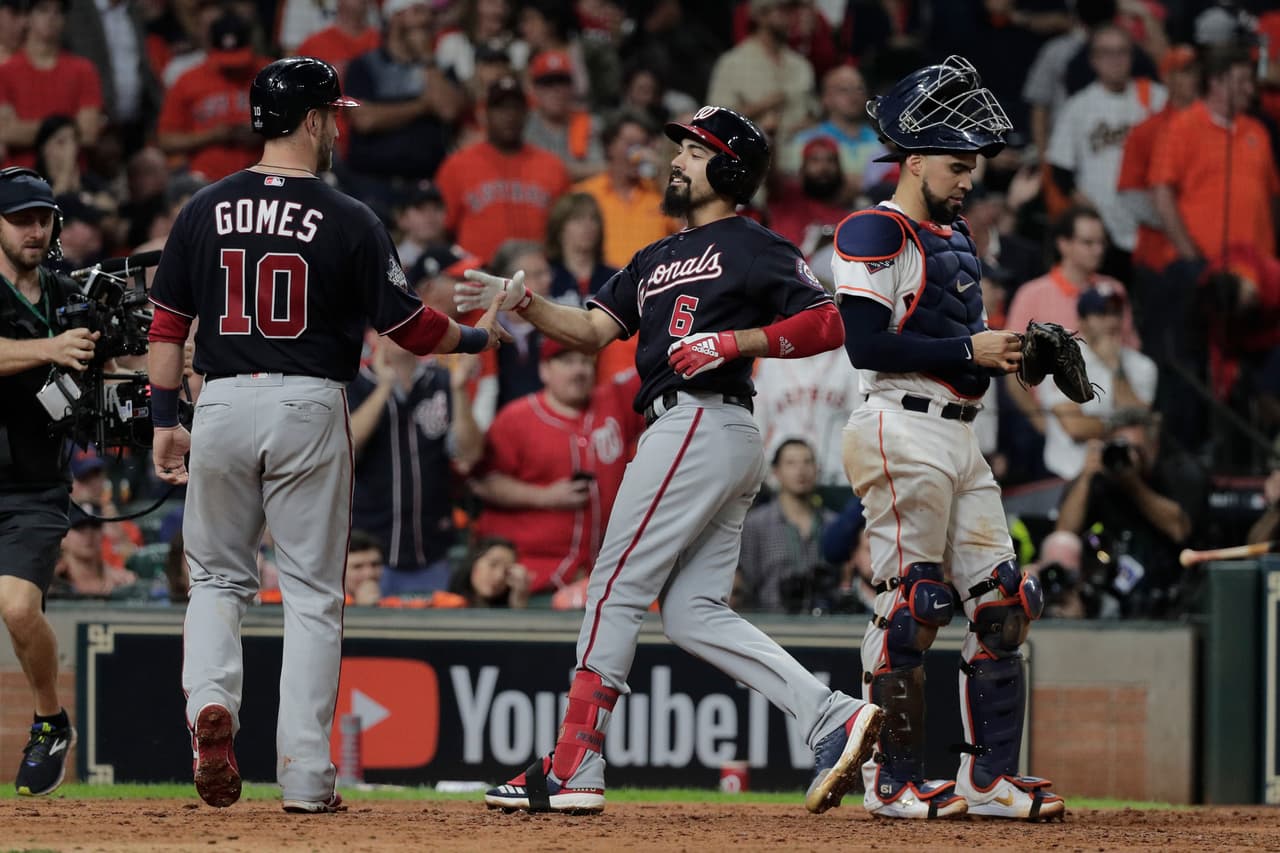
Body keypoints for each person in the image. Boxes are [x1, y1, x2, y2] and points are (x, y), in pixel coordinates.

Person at [458, 105, 884, 816]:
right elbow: (595, 329)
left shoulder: (752, 243)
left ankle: (574, 762)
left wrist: (736, 342)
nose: (676, 160)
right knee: (690, 613)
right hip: (700, 429)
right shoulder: (656, 254)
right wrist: (525, 302)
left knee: (616, 583)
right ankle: (830, 713)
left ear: (726, 167)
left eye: (691, 149)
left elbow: (828, 320)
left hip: (700, 415)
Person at [144, 57, 508, 814]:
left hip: (221, 397)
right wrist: (478, 341)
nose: (337, 126)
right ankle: (307, 779)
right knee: (310, 596)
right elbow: (408, 325)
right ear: (312, 121)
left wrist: (163, 418)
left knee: (216, 579)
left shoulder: (203, 208)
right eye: (332, 115)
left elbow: (168, 325)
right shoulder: (349, 216)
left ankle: (212, 702)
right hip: (310, 401)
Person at [831, 55, 1065, 820]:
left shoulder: (955, 235)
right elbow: (867, 345)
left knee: (1004, 603)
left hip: (960, 435)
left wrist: (1021, 352)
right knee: (913, 607)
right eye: (957, 165)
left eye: (973, 167)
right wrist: (972, 351)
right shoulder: (873, 227)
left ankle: (988, 780)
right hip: (899, 427)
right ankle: (890, 781)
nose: (969, 179)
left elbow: (957, 345)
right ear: (916, 158)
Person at [0, 167, 94, 796]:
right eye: (21, 219)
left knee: (15, 608)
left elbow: (112, 359)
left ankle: (49, 720)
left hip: (32, 487)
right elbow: (53, 351)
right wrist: (50, 348)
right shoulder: (55, 322)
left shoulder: (69, 294)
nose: (36, 230)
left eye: (43, 219)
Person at [469, 337, 642, 594]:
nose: (579, 370)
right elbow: (482, 483)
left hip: (591, 578)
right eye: (567, 361)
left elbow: (654, 369)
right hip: (526, 577)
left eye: (585, 361)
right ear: (544, 370)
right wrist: (544, 496)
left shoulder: (612, 403)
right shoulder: (517, 417)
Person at [1054, 410, 1206, 618]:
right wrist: (1086, 476)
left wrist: (1133, 484)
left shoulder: (1177, 470)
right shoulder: (1101, 477)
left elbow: (1179, 528)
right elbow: (1063, 534)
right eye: (1120, 448)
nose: (1128, 457)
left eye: (1136, 449)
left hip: (1169, 591)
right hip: (1108, 589)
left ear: (1154, 447)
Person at [434, 74, 570, 264]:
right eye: (500, 108)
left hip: (538, 277)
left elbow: (564, 229)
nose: (509, 116)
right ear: (485, 114)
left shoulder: (552, 166)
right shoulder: (456, 166)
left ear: (527, 113)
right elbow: (441, 230)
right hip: (478, 275)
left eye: (516, 108)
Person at [1038, 285, 1157, 480]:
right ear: (1082, 322)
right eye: (1101, 313)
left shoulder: (1142, 366)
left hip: (1125, 476)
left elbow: (1141, 425)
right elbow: (1075, 427)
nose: (1111, 321)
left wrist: (1115, 368)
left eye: (1116, 313)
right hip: (1067, 475)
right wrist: (1121, 426)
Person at [738, 438, 836, 613]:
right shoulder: (756, 525)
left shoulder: (832, 523)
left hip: (825, 623)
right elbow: (746, 584)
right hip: (771, 623)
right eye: (791, 463)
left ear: (816, 469)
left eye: (807, 462)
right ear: (776, 472)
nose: (801, 470)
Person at [446, 535, 531, 608]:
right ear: (473, 562)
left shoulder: (506, 611)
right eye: (492, 565)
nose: (499, 576)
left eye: (507, 571)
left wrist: (518, 603)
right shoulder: (443, 604)